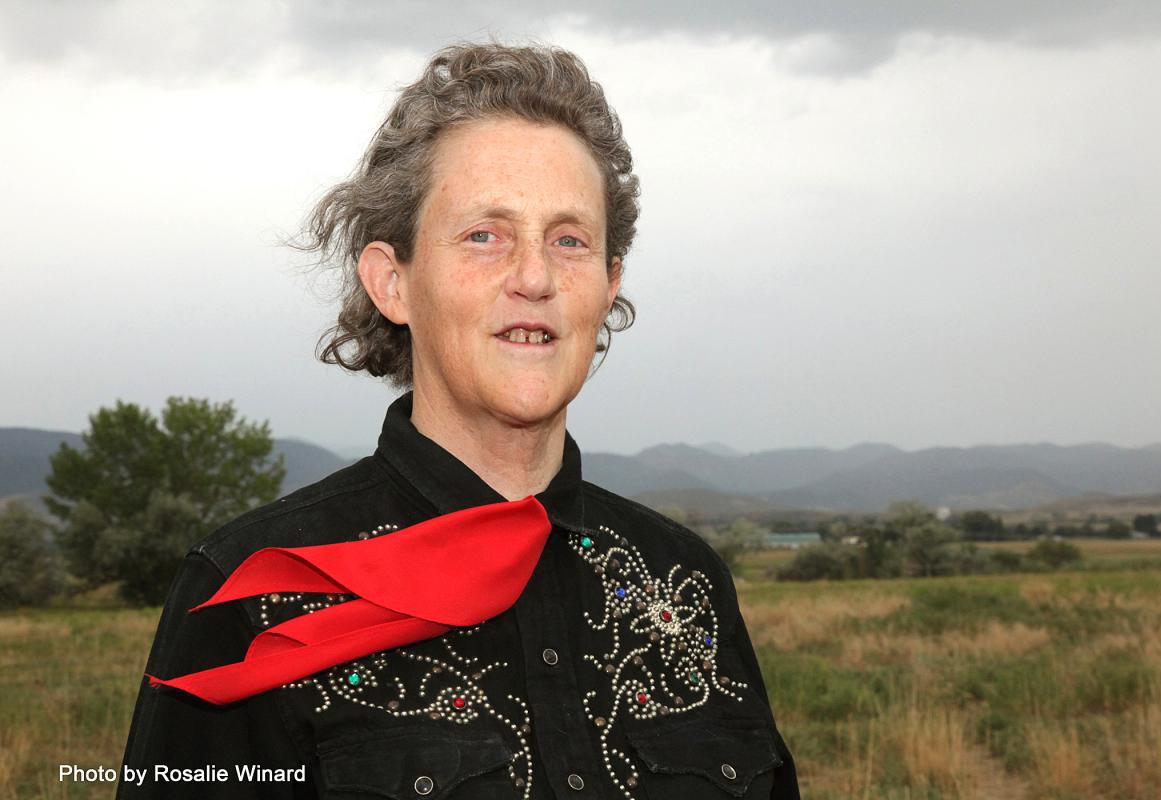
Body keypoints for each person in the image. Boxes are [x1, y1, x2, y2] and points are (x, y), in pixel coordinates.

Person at [118, 40, 801, 799]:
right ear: (392, 282)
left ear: (608, 287)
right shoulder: (252, 593)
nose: (536, 277)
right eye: (486, 235)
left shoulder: (688, 581)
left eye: (569, 240)